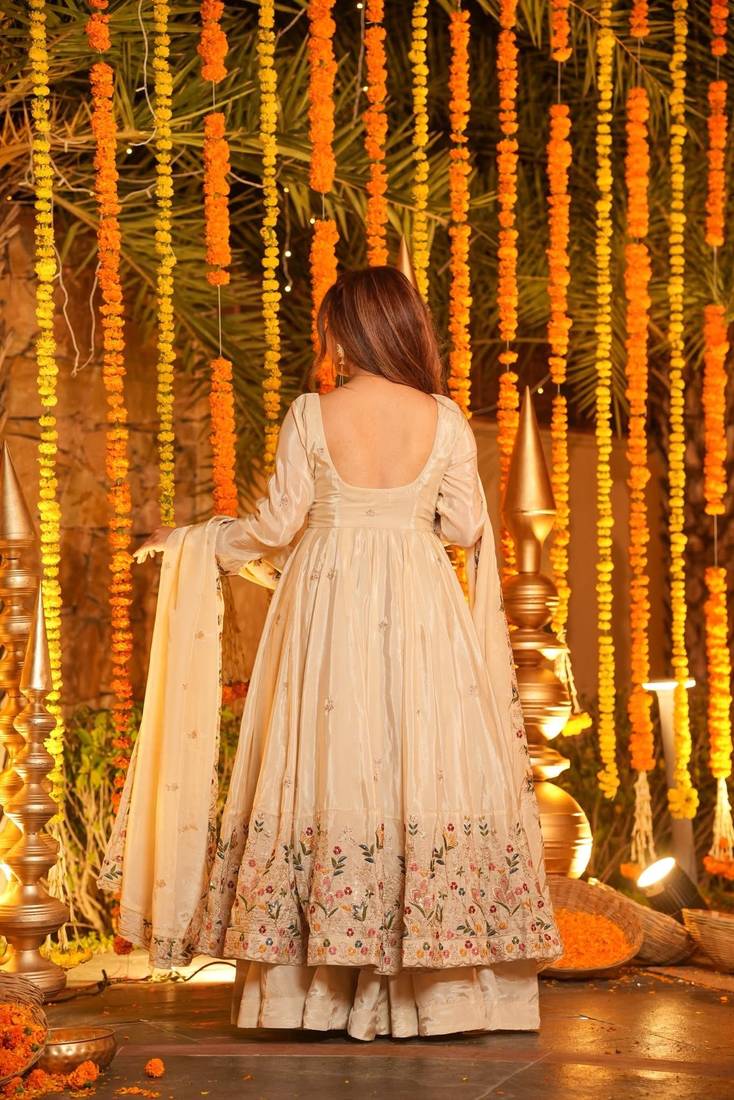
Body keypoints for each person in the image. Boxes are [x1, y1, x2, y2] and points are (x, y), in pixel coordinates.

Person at [98, 266, 562, 1041]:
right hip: (421, 608)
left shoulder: (313, 414)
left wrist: (194, 542)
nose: (328, 345)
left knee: (327, 761)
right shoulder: (445, 418)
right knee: (420, 762)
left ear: (348, 333)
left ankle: (313, 993)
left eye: (330, 331)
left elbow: (276, 527)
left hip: (328, 605)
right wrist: (405, 516)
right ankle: (434, 990)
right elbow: (465, 529)